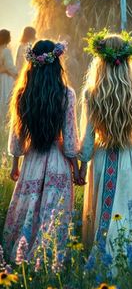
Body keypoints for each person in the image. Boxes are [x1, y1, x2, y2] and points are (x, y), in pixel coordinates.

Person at [3, 40, 80, 260]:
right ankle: (48, 258)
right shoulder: (67, 94)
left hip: (32, 161)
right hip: (58, 161)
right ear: (57, 63)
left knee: (29, 209)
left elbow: (17, 136)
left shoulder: (23, 94)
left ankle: (20, 255)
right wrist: (76, 168)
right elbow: (70, 136)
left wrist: (15, 165)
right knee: (52, 214)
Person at [78, 31, 132, 259]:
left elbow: (88, 135)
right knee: (126, 211)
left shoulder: (92, 91)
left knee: (103, 211)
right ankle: (125, 260)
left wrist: (82, 164)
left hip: (101, 157)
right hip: (128, 158)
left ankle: (100, 258)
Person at [0, 29, 18, 118]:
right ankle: (5, 118)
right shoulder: (6, 50)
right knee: (6, 97)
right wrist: (17, 74)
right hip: (5, 77)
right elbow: (9, 66)